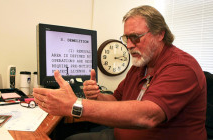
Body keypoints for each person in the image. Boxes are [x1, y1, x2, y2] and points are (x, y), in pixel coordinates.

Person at [33, 5, 207, 140]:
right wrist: (96, 96)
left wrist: (76, 105)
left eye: (136, 37)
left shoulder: (181, 67)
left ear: (160, 34)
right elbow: (116, 99)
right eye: (126, 38)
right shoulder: (140, 65)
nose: (129, 45)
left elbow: (148, 116)